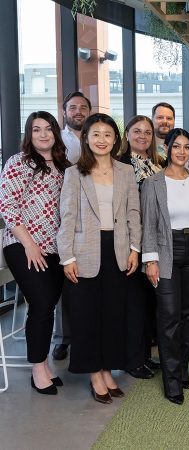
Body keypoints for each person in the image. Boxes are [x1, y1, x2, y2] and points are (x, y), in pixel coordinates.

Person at [57, 113, 141, 404]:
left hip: (117, 251)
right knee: (86, 317)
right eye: (96, 134)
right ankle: (95, 374)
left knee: (112, 315)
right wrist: (66, 257)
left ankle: (107, 369)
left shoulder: (125, 172)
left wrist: (135, 248)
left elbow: (133, 214)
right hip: (84, 252)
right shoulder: (73, 173)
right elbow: (67, 217)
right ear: (86, 138)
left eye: (107, 134)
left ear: (115, 139)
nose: (102, 140)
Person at [141, 128, 189, 405]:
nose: (182, 152)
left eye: (187, 147)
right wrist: (150, 260)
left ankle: (182, 368)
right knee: (169, 317)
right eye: (177, 147)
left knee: (188, 315)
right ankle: (172, 380)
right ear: (167, 149)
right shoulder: (153, 183)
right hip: (165, 251)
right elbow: (148, 225)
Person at [0, 111, 70, 395]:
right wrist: (29, 245)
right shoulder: (19, 163)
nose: (43, 134)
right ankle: (38, 368)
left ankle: (43, 362)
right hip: (23, 244)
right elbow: (8, 207)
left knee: (48, 305)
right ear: (29, 135)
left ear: (55, 133)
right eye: (36, 129)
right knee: (41, 303)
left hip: (55, 246)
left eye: (48, 129)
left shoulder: (64, 167)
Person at [118, 115, 164, 380]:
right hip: (130, 243)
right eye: (137, 131)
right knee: (133, 305)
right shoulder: (119, 165)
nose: (143, 136)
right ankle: (131, 360)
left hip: (154, 243)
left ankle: (145, 355)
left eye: (147, 132)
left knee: (148, 304)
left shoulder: (159, 165)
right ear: (127, 134)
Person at [53, 91, 91, 362]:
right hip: (66, 217)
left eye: (83, 107)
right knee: (68, 283)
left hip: (93, 220)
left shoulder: (97, 137)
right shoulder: (57, 142)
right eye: (73, 107)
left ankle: (89, 337)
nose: (78, 111)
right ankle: (65, 339)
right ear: (64, 111)